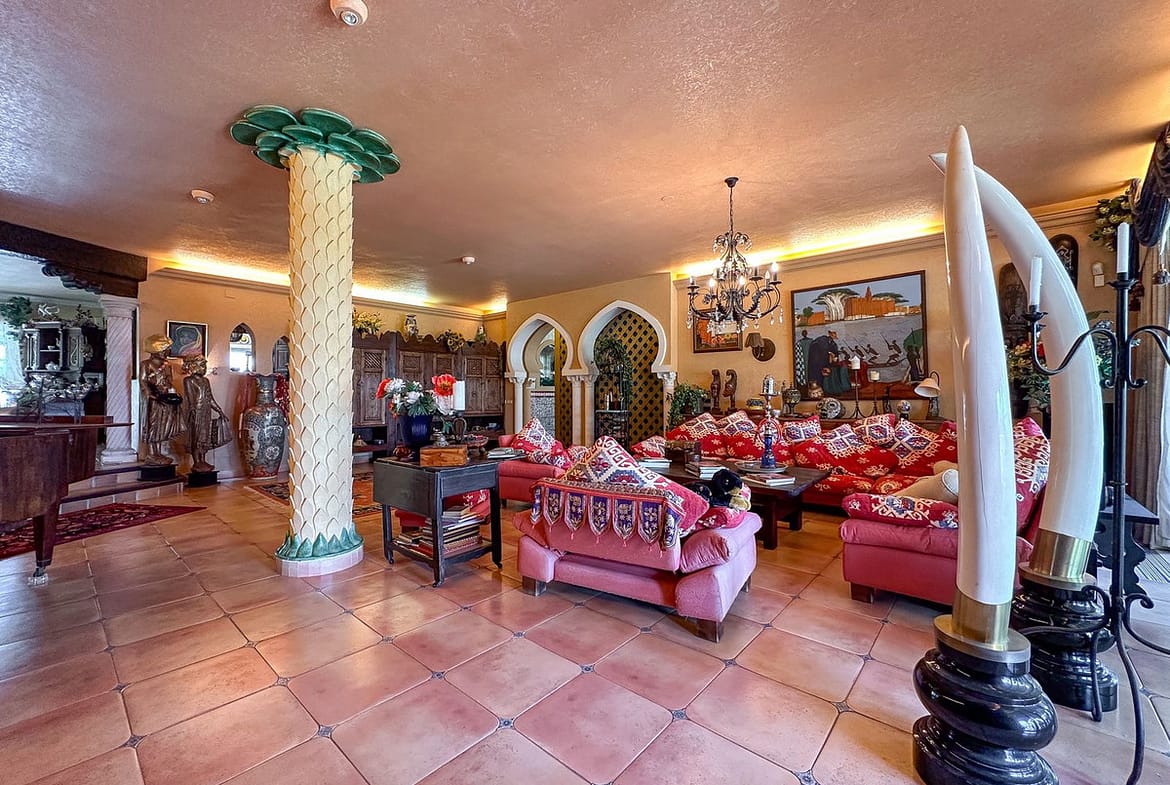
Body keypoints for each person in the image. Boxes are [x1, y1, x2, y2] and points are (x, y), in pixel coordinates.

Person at [139, 334, 185, 465]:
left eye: (167, 350)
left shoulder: (167, 366)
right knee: (154, 426)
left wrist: (173, 393)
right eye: (164, 350)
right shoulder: (146, 364)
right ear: (155, 351)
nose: (167, 353)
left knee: (163, 426)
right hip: (155, 400)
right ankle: (152, 453)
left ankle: (159, 453)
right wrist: (150, 395)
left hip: (166, 399)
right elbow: (143, 382)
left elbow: (169, 382)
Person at [182, 354, 232, 472]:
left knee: (205, 437)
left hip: (206, 411)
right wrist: (193, 412)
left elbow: (210, 399)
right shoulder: (189, 380)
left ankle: (203, 460)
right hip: (196, 412)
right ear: (194, 366)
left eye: (204, 366)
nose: (204, 368)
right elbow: (190, 398)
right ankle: (197, 462)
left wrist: (219, 410)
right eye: (202, 365)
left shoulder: (205, 381)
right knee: (196, 437)